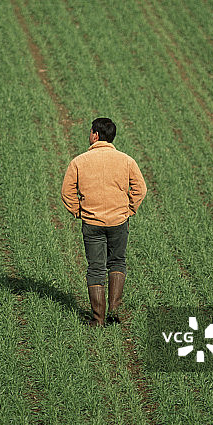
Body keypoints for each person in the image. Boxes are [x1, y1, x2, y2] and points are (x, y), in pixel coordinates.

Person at [61, 118, 147, 327]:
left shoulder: (79, 162)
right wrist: (128, 210)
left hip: (92, 222)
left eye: (90, 132)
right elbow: (140, 189)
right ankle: (114, 311)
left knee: (96, 268)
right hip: (119, 221)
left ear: (96, 135)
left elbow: (67, 192)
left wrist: (79, 212)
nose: (89, 135)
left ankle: (97, 319)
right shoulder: (126, 160)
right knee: (117, 262)